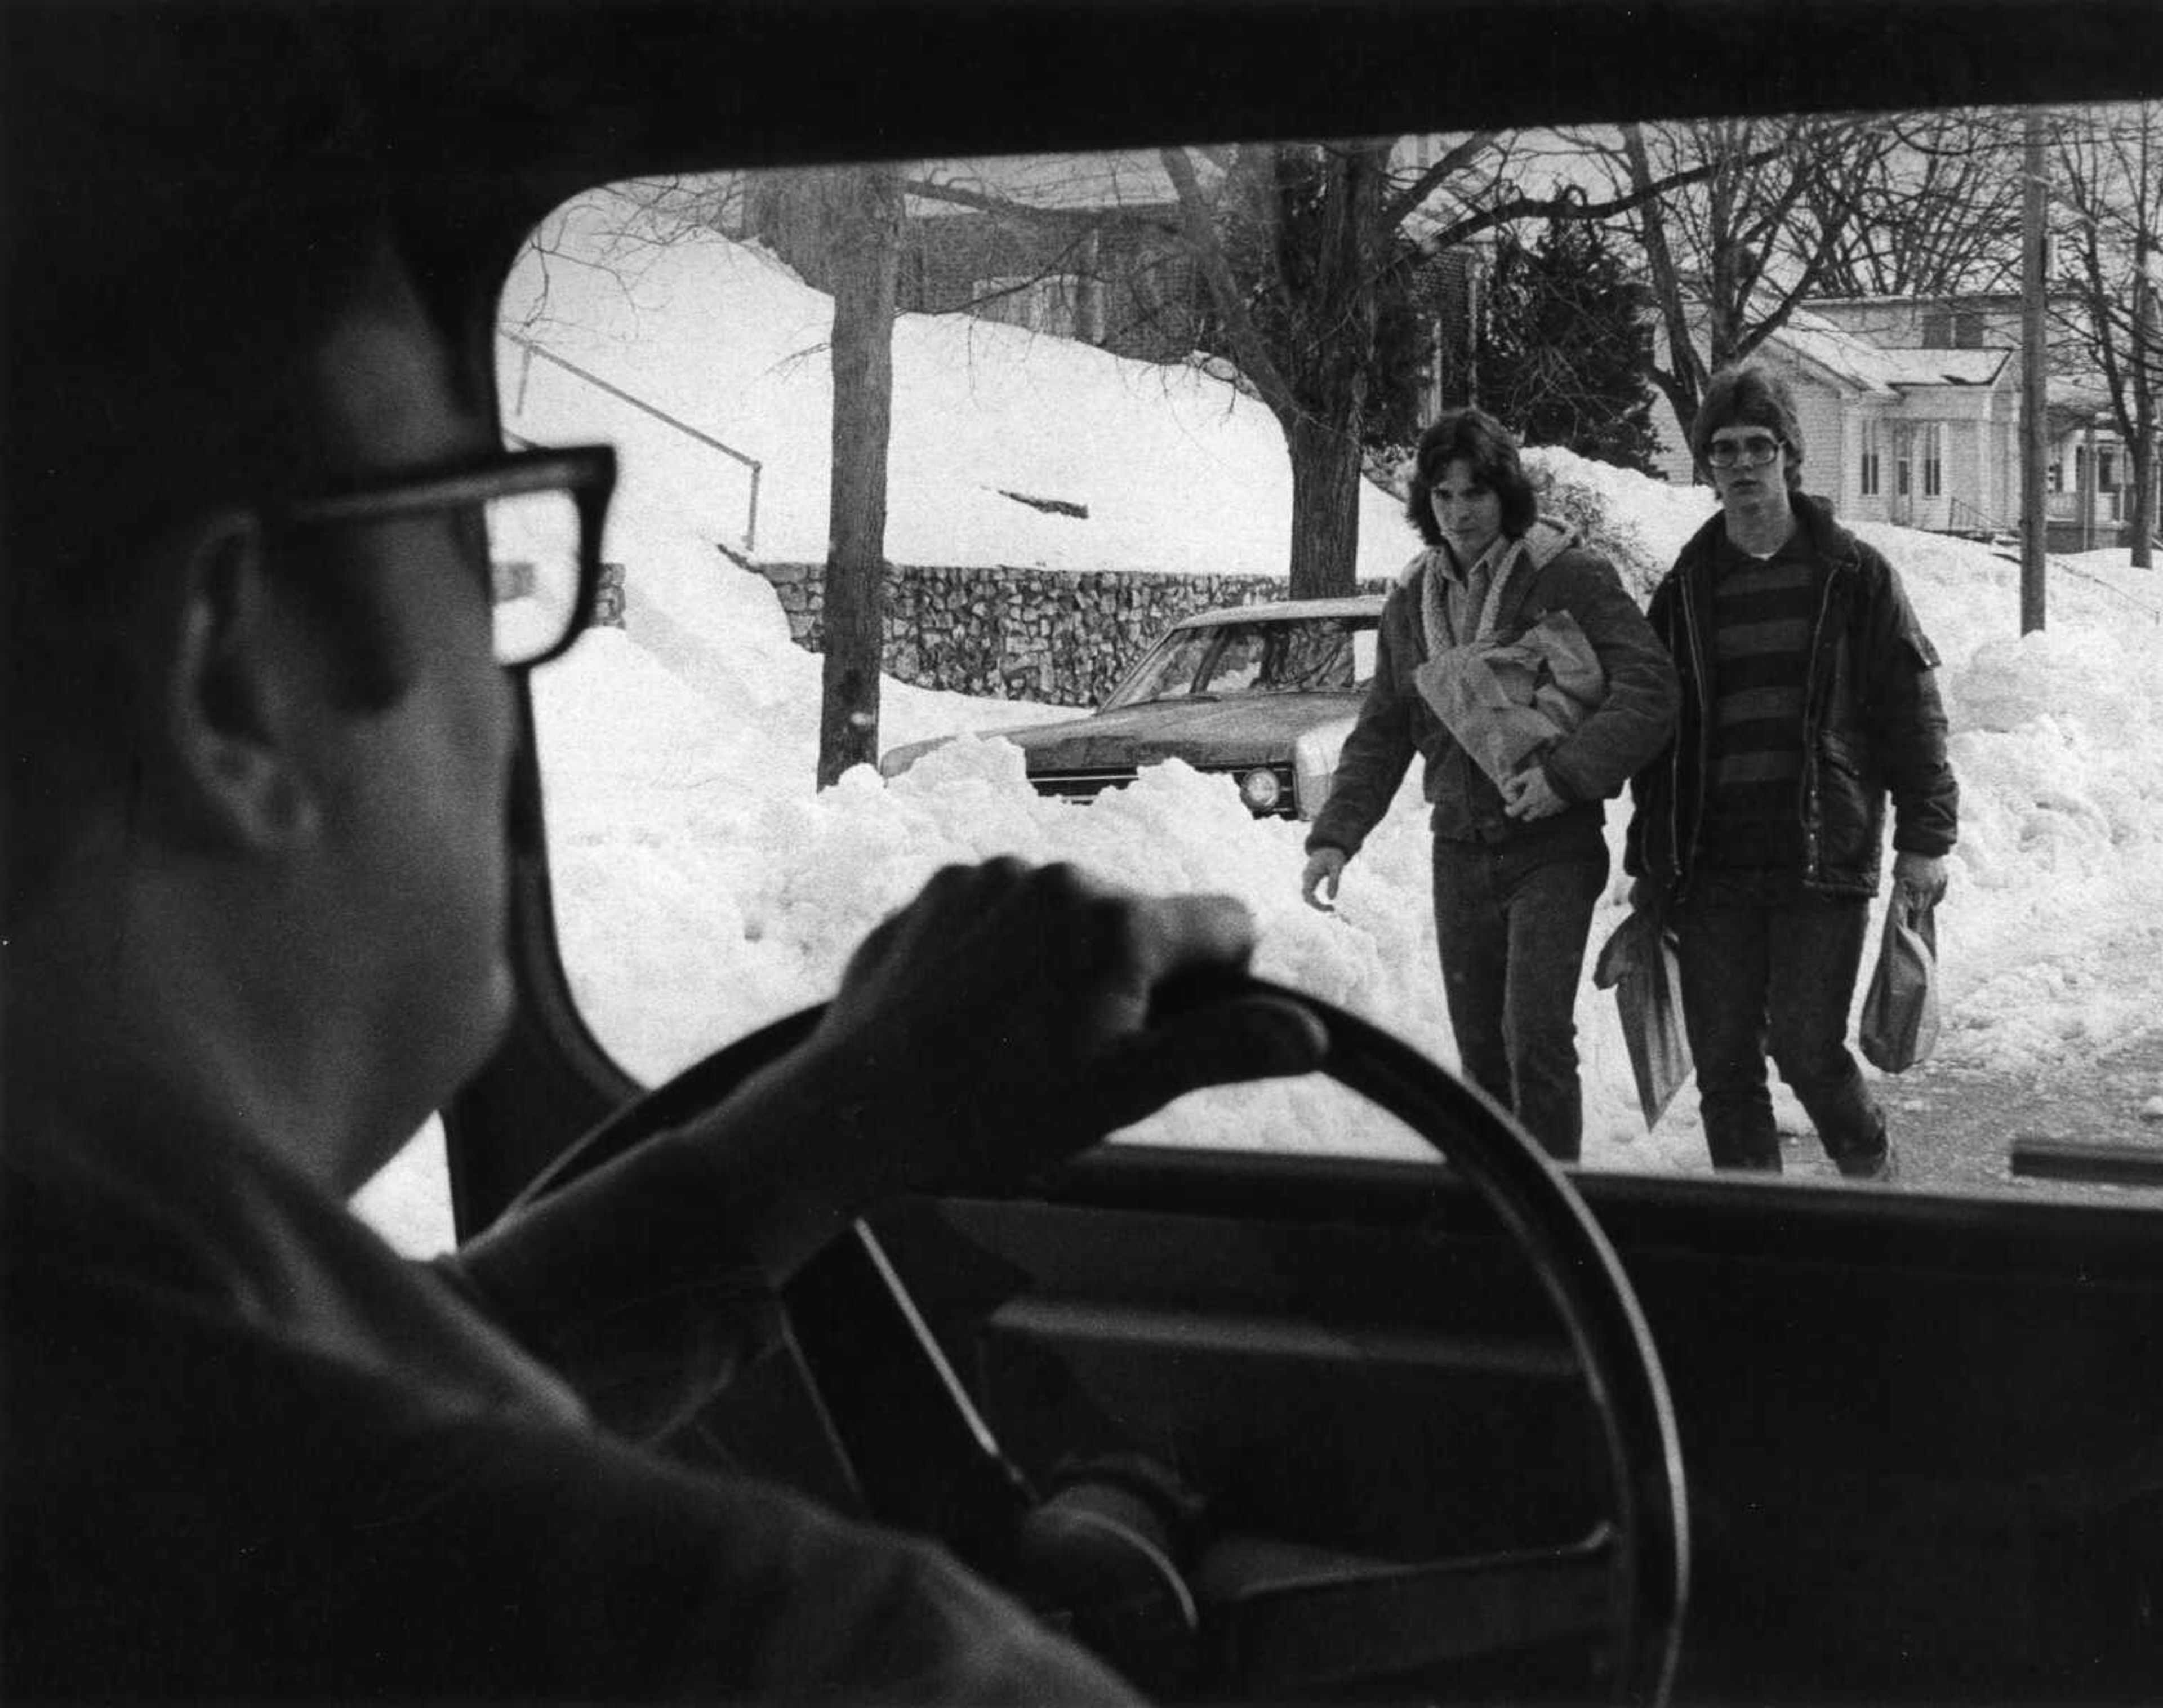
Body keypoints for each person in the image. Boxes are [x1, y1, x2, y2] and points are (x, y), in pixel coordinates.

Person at [0, 14, 1327, 1701]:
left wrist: (815, 1135)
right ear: (226, 682)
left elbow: (291, 1416)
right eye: (478, 539)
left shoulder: (97, 1405)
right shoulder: (817, 1663)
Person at [1300, 409, 1678, 1160]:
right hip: (1459, 852)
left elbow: (1652, 687)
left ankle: (1560, 1213)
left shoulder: (1567, 573)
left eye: (1475, 494)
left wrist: (1567, 778)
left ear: (1506, 493)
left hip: (1553, 846)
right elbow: (1383, 729)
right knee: (1480, 1056)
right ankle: (1505, 1217)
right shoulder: (1415, 600)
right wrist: (1335, 835)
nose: (1460, 512)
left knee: (1533, 1036)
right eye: (1442, 496)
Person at [1624, 363, 1958, 1178]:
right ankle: (1757, 1242)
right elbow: (1660, 743)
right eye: (1724, 450)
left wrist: (1926, 839)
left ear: (1789, 455)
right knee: (1726, 1065)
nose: (1742, 465)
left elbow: (1910, 714)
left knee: (1808, 1048)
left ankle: (1870, 1172)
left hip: (1820, 858)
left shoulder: (1854, 576)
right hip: (1712, 867)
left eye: (1759, 447)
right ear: (1707, 466)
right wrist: (1650, 866)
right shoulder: (1687, 589)